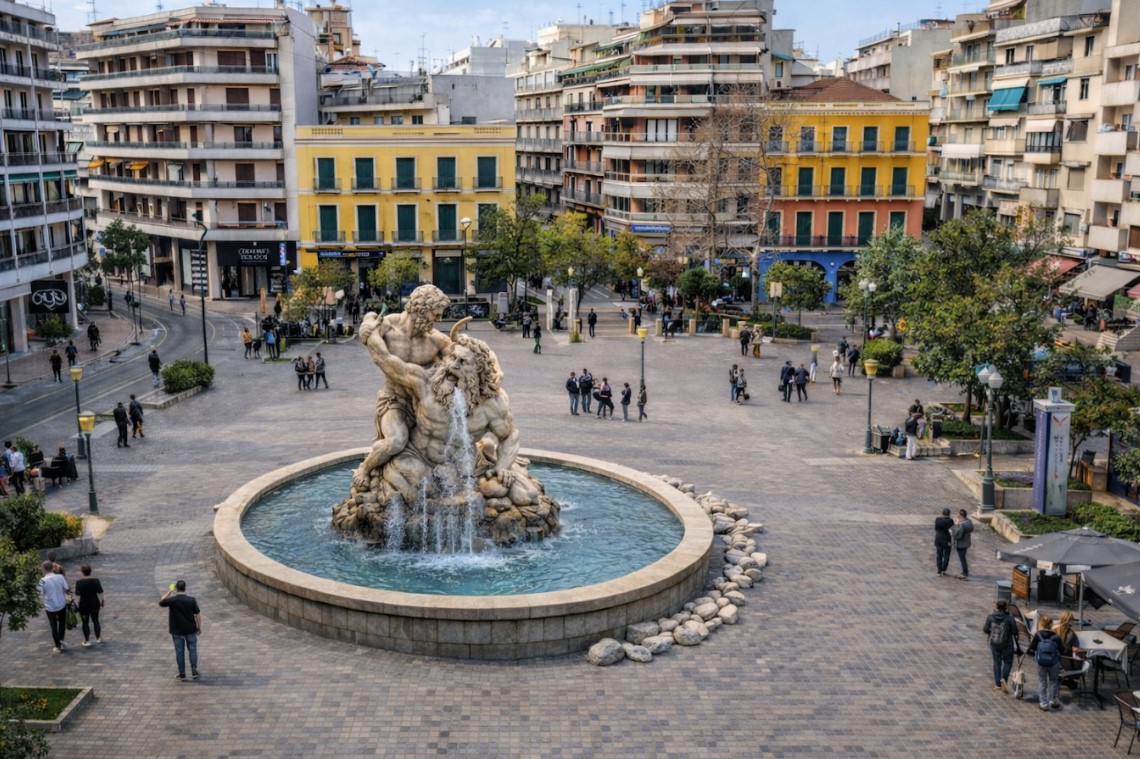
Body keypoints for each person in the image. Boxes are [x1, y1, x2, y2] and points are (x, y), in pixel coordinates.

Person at [159, 580, 201, 681]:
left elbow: (161, 601)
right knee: (192, 649)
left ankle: (182, 673)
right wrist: (199, 627)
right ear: (185, 588)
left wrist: (170, 591)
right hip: (190, 629)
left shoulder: (172, 600)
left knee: (179, 651)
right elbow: (197, 615)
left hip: (177, 630)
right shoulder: (191, 600)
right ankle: (194, 669)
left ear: (176, 589)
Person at [983, 599, 1022, 692]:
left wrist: (991, 631)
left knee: (997, 662)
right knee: (1008, 662)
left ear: (997, 607)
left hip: (994, 643)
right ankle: (1004, 679)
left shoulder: (991, 617)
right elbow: (1014, 631)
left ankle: (998, 685)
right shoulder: (1010, 619)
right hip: (1007, 643)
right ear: (1006, 607)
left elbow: (985, 629)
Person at [1027, 613, 1062, 710]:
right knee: (1053, 680)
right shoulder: (1056, 636)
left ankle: (1043, 703)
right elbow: (1062, 650)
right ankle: (1052, 700)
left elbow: (1031, 649)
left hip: (1041, 662)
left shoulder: (1038, 635)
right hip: (1054, 662)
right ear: (1051, 624)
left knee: (1042, 681)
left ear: (1041, 624)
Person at [39, 560, 70, 652]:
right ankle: (61, 640)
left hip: (50, 606)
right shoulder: (60, 577)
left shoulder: (42, 581)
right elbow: (66, 588)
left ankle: (57, 645)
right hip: (61, 603)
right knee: (62, 623)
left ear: (43, 569)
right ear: (52, 568)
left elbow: (39, 593)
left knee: (53, 626)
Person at [75, 563, 104, 646]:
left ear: (82, 572)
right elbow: (100, 592)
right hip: (94, 603)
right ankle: (98, 637)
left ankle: (87, 640)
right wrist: (102, 601)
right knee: (95, 620)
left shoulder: (79, 582)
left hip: (84, 605)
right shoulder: (96, 581)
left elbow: (77, 594)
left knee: (85, 622)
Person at [952, 509, 973, 580]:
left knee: (962, 559)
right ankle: (964, 571)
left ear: (961, 516)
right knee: (963, 557)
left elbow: (957, 535)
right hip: (966, 542)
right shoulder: (969, 522)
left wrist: (954, 528)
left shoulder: (962, 525)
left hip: (961, 544)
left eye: (958, 514)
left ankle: (965, 572)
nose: (957, 515)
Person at [934, 508, 954, 576]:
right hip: (947, 539)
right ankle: (944, 569)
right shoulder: (950, 521)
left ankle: (939, 570)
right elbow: (952, 530)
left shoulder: (938, 520)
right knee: (946, 555)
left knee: (939, 555)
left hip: (938, 539)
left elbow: (936, 528)